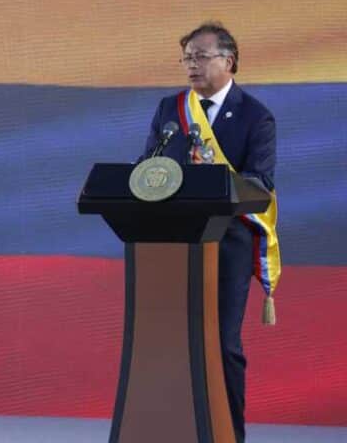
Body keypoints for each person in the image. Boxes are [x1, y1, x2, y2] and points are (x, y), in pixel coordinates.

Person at [142, 22, 280, 442]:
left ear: (228, 60)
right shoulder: (171, 110)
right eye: (186, 57)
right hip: (175, 246)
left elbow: (260, 183)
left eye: (200, 56)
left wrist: (212, 179)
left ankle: (227, 434)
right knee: (169, 348)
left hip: (228, 247)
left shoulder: (256, 115)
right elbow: (149, 166)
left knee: (222, 346)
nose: (191, 65)